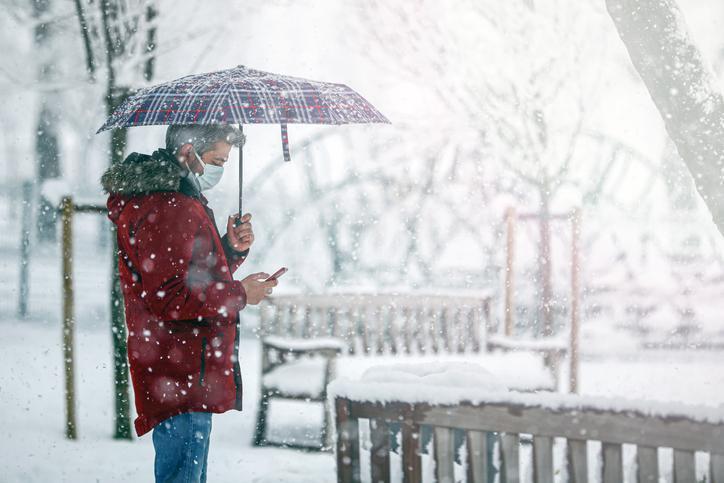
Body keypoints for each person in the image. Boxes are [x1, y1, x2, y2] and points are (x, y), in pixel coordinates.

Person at [101, 124, 278, 483]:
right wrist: (240, 294)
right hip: (180, 369)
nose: (219, 170)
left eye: (225, 161)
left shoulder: (173, 199)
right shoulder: (171, 206)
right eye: (215, 160)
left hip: (180, 368)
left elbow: (186, 279)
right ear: (186, 152)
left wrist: (229, 249)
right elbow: (172, 298)